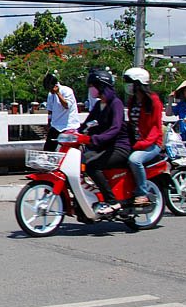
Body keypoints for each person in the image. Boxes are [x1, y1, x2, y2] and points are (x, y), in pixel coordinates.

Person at [77, 68, 131, 217]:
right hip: (105, 146)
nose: (91, 89)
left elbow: (115, 128)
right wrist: (74, 134)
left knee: (93, 165)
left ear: (101, 86)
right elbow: (85, 125)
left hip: (120, 147)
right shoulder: (99, 105)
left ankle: (112, 201)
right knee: (83, 161)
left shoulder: (116, 103)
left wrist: (94, 139)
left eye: (92, 86)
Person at [123, 67, 163, 208]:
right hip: (136, 142)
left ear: (139, 83)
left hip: (152, 144)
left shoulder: (153, 101)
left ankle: (142, 193)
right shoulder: (132, 101)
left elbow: (156, 127)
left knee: (135, 160)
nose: (127, 85)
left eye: (129, 82)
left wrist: (143, 143)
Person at [42, 73, 80, 151]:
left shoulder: (67, 91)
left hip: (69, 126)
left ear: (55, 85)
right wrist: (49, 124)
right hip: (56, 126)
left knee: (67, 150)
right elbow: (50, 111)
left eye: (50, 88)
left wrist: (58, 93)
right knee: (48, 150)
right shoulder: (50, 94)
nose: (50, 91)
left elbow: (66, 105)